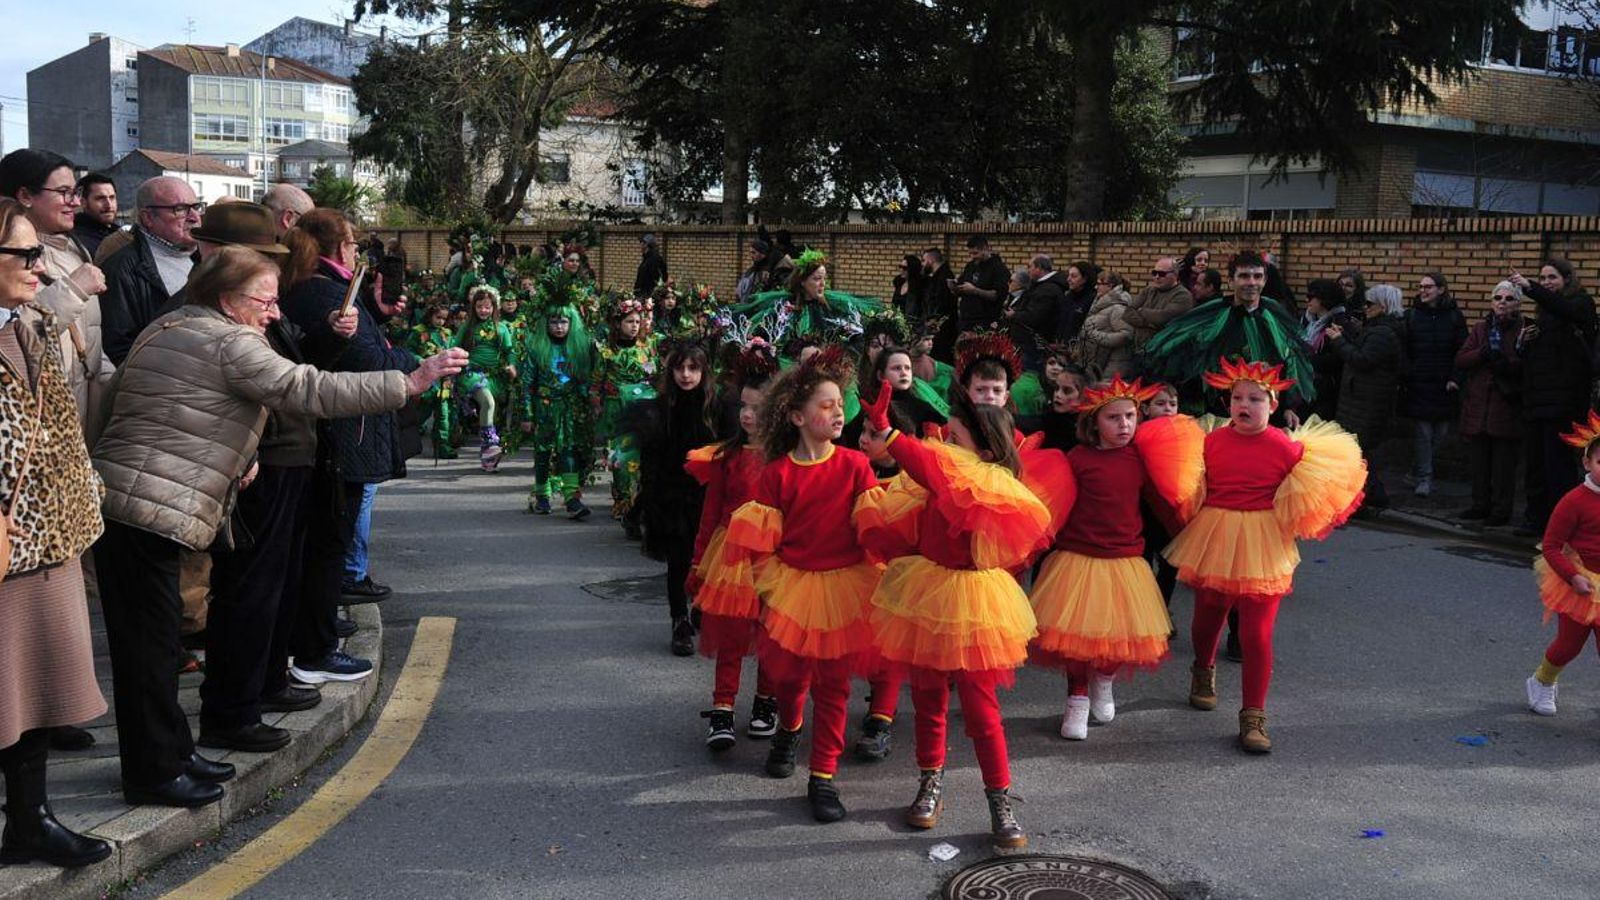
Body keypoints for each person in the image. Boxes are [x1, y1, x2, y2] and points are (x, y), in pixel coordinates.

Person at [93, 246, 463, 807]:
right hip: (153, 506)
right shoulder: (230, 341)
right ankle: (152, 773)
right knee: (148, 649)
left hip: (126, 498)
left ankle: (172, 753)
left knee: (156, 640)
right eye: (263, 301)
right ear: (226, 299)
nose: (272, 312)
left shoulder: (168, 325)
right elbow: (308, 389)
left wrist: (238, 458)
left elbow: (120, 405)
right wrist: (410, 382)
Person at [190, 203, 355, 754]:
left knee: (272, 586)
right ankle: (235, 710)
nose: (274, 296)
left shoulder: (252, 310)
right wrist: (409, 382)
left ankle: (263, 685)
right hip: (261, 463)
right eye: (266, 260)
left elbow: (297, 365)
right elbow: (294, 386)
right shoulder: (208, 319)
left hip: (285, 456)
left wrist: (331, 337)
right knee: (250, 589)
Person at [855, 391, 1050, 850]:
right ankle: (929, 784)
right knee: (928, 701)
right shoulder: (947, 473)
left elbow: (927, 466)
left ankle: (1000, 801)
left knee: (982, 712)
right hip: (927, 593)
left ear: (984, 451)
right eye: (946, 435)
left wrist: (888, 430)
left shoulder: (982, 481)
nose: (945, 443)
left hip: (974, 603)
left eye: (955, 437)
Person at [1162, 359, 1365, 753]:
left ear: (1272, 405)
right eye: (1237, 397)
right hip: (1216, 535)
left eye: (1255, 398)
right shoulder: (1211, 440)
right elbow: (1190, 484)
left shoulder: (1284, 447)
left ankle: (1253, 715)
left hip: (1264, 542)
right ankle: (1202, 669)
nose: (1244, 404)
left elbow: (1311, 493)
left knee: (1256, 632)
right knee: (1209, 614)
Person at [0, 198, 115, 868]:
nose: (39, 267)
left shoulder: (29, 326)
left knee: (35, 692)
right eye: (23, 254)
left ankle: (31, 822)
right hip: (13, 545)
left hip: (49, 539)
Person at [727, 348, 881, 823]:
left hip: (844, 587)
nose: (837, 412)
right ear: (796, 416)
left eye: (840, 404)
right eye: (826, 404)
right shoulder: (776, 475)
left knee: (834, 685)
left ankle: (824, 777)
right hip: (792, 586)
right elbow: (762, 543)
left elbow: (875, 527)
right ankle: (788, 731)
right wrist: (768, 589)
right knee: (791, 678)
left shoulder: (855, 465)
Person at [281, 210, 424, 680]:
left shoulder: (325, 286)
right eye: (353, 245)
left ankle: (318, 630)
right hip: (341, 427)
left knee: (330, 534)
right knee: (330, 536)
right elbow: (367, 358)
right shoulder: (322, 290)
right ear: (338, 248)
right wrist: (413, 364)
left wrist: (375, 315)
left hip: (337, 424)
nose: (358, 252)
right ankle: (315, 645)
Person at [1029, 377, 1202, 742]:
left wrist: (1187, 534)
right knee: (1075, 638)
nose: (1124, 425)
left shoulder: (1141, 457)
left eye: (1130, 416)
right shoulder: (1077, 459)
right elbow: (1057, 506)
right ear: (1094, 422)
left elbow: (1161, 501)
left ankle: (1104, 681)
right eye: (1114, 418)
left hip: (1125, 560)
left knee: (1118, 635)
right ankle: (1076, 696)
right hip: (1078, 557)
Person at [686, 345, 780, 749]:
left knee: (771, 634)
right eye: (743, 406)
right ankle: (722, 706)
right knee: (730, 633)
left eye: (757, 409)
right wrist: (697, 565)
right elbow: (710, 514)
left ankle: (765, 702)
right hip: (730, 556)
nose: (747, 415)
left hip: (773, 556)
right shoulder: (727, 457)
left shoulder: (785, 459)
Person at [0, 149, 114, 438]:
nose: (75, 203)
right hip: (38, 423)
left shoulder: (74, 248)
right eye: (64, 192)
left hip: (81, 413)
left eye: (76, 192)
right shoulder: (10, 260)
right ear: (25, 196)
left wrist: (112, 382)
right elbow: (15, 332)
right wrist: (74, 289)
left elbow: (89, 336)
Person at [1139, 250, 1316, 417]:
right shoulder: (1211, 315)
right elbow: (1178, 354)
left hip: (1265, 412)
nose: (1251, 282)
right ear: (1231, 280)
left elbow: (1293, 362)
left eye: (1258, 276)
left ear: (1265, 280)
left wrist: (1289, 407)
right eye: (1244, 276)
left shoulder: (1275, 315)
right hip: (1216, 411)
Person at [635, 340, 718, 655]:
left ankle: (699, 607)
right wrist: (649, 493)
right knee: (678, 560)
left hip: (706, 495)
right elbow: (650, 455)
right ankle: (678, 619)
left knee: (708, 559)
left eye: (693, 368)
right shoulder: (661, 407)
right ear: (671, 371)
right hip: (671, 494)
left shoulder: (714, 407)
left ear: (703, 371)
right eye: (680, 368)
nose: (686, 375)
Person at [1510, 259, 1597, 536]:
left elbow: (1567, 310)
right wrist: (1524, 342)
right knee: (1535, 465)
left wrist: (1531, 288)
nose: (1547, 282)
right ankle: (1535, 518)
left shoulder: (1581, 304)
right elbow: (1533, 361)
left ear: (1567, 279)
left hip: (1565, 402)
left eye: (1552, 277)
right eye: (1543, 278)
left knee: (1557, 466)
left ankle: (1563, 524)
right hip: (1537, 401)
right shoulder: (1546, 315)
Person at [1524, 412, 1600, 717]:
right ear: (1587, 464)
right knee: (1569, 646)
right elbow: (1552, 546)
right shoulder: (1573, 501)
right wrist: (1572, 577)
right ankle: (1542, 680)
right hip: (1579, 585)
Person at [100, 176, 203, 366]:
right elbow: (119, 347)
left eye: (196, 207)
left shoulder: (209, 257)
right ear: (148, 218)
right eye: (180, 209)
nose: (194, 217)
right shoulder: (121, 270)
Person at [1327, 285, 1405, 513]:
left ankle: (1362, 500)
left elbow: (1362, 359)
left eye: (1370, 304)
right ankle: (1371, 496)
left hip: (1368, 403)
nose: (1365, 307)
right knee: (1360, 453)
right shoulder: (1379, 329)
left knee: (1358, 454)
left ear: (1383, 305)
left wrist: (1339, 340)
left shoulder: (1383, 332)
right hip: (1363, 401)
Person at [1454, 282, 1526, 526]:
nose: (1502, 302)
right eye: (1498, 297)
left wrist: (1505, 361)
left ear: (1518, 303)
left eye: (1508, 298)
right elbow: (1462, 358)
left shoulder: (1524, 329)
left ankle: (1500, 510)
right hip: (1479, 405)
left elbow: (1524, 365)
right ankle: (1479, 505)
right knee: (1479, 464)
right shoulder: (1481, 328)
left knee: (1503, 467)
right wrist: (1482, 353)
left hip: (1506, 406)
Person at [523, 279, 596, 518]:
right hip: (544, 408)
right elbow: (527, 383)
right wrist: (527, 414)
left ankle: (571, 499)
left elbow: (585, 381)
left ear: (572, 323)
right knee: (543, 451)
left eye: (564, 321)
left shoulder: (579, 348)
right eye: (553, 321)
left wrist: (591, 403)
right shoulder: (536, 348)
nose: (558, 326)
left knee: (569, 450)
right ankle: (542, 496)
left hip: (570, 408)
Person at [593, 294, 659, 534]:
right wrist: (596, 402)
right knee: (620, 457)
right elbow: (597, 379)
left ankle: (637, 501)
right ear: (618, 323)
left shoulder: (648, 347)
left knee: (641, 457)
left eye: (637, 322)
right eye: (629, 321)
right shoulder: (608, 350)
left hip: (642, 408)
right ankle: (623, 500)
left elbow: (655, 375)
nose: (634, 326)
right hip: (616, 409)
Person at [1402, 272, 1467, 498]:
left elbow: (1462, 350)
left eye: (1428, 287)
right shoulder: (1412, 316)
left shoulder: (1454, 317)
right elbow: (1405, 348)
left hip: (1445, 385)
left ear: (1441, 289)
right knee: (1423, 433)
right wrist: (1409, 373)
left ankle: (1415, 470)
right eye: (1421, 286)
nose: (1423, 291)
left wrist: (1456, 378)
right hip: (1419, 384)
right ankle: (1425, 478)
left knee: (1441, 433)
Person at [453, 286, 518, 472]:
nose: (483, 310)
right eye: (480, 306)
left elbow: (509, 351)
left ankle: (489, 460)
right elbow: (455, 347)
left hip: (495, 376)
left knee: (492, 412)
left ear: (494, 308)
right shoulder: (467, 327)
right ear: (474, 307)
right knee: (488, 403)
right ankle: (490, 443)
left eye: (487, 307)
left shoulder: (502, 328)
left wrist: (511, 365)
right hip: (472, 374)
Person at [1301, 278, 1361, 422]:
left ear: (1324, 299)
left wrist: (1304, 357)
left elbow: (1338, 360)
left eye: (1311, 297)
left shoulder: (1340, 324)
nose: (1306, 300)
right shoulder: (1308, 320)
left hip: (1327, 392)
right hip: (1307, 387)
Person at [1120, 256, 1193, 352]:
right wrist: (1149, 324)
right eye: (1154, 273)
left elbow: (1163, 318)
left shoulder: (1182, 295)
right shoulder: (1148, 290)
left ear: (1175, 274)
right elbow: (1127, 313)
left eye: (1162, 274)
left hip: (1163, 350)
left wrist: (1142, 311)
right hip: (1139, 349)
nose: (1157, 277)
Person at [1076, 269, 1135, 379]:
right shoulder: (1100, 304)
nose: (1096, 287)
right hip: (1095, 365)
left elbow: (1126, 335)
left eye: (1099, 284)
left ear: (1110, 286)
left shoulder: (1118, 308)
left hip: (1110, 368)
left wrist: (1095, 335)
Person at [1009, 255, 1062, 368]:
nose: (1028, 270)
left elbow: (1035, 316)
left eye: (1030, 267)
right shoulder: (1038, 286)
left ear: (1039, 268)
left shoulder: (1048, 289)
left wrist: (1014, 314)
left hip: (1034, 344)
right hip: (1026, 343)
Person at [953, 236, 1008, 336]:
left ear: (986, 249)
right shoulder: (970, 266)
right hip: (966, 319)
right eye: (970, 253)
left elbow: (997, 295)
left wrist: (975, 290)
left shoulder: (998, 268)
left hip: (985, 321)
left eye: (975, 253)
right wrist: (955, 287)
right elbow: (962, 284)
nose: (973, 256)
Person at [71, 172, 119, 258]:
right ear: (83, 202)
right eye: (100, 198)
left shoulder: (120, 233)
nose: (109, 205)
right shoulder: (78, 241)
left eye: (112, 197)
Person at [1054, 260, 1096, 346]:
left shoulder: (1092, 300)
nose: (1068, 279)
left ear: (1084, 279)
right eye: (1068, 275)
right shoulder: (1067, 297)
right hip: (1061, 348)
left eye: (1073, 276)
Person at [892, 254, 925, 321]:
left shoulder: (920, 287)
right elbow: (894, 305)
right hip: (898, 323)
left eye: (904, 268)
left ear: (912, 269)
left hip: (913, 325)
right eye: (900, 266)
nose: (901, 270)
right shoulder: (899, 283)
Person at [634, 233, 668, 298]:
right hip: (642, 295)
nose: (640, 245)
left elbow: (661, 277)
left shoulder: (655, 259)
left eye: (641, 242)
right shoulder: (646, 259)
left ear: (646, 244)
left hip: (649, 297)